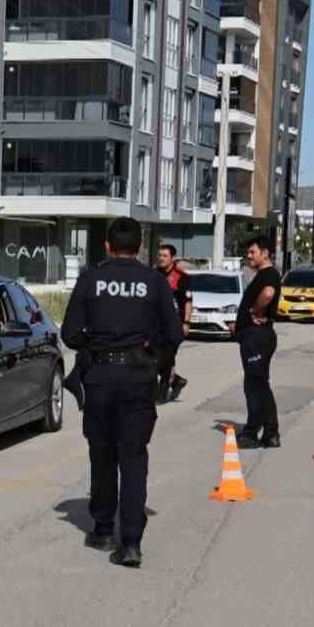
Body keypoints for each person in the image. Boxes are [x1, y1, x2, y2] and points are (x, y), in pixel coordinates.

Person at [62, 217, 182, 569]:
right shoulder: (154, 281)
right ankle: (131, 541)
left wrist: (95, 346)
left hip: (99, 377)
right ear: (141, 248)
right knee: (133, 457)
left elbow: (70, 333)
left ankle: (102, 528)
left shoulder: (91, 279)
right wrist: (154, 359)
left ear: (108, 246)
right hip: (138, 378)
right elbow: (173, 333)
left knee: (102, 453)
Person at [234, 235, 282, 449]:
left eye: (253, 252)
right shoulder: (261, 275)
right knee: (256, 383)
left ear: (265, 253)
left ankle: (256, 433)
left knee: (256, 385)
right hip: (253, 335)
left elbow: (269, 293)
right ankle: (268, 433)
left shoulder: (269, 274)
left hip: (257, 337)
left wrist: (255, 310)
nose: (249, 255)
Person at [154, 244, 191, 405]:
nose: (161, 258)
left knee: (167, 359)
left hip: (174, 325)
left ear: (172, 258)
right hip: (155, 325)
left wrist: (186, 323)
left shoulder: (181, 277)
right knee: (153, 358)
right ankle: (176, 381)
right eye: (160, 255)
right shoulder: (153, 275)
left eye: (164, 256)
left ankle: (161, 394)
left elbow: (188, 302)